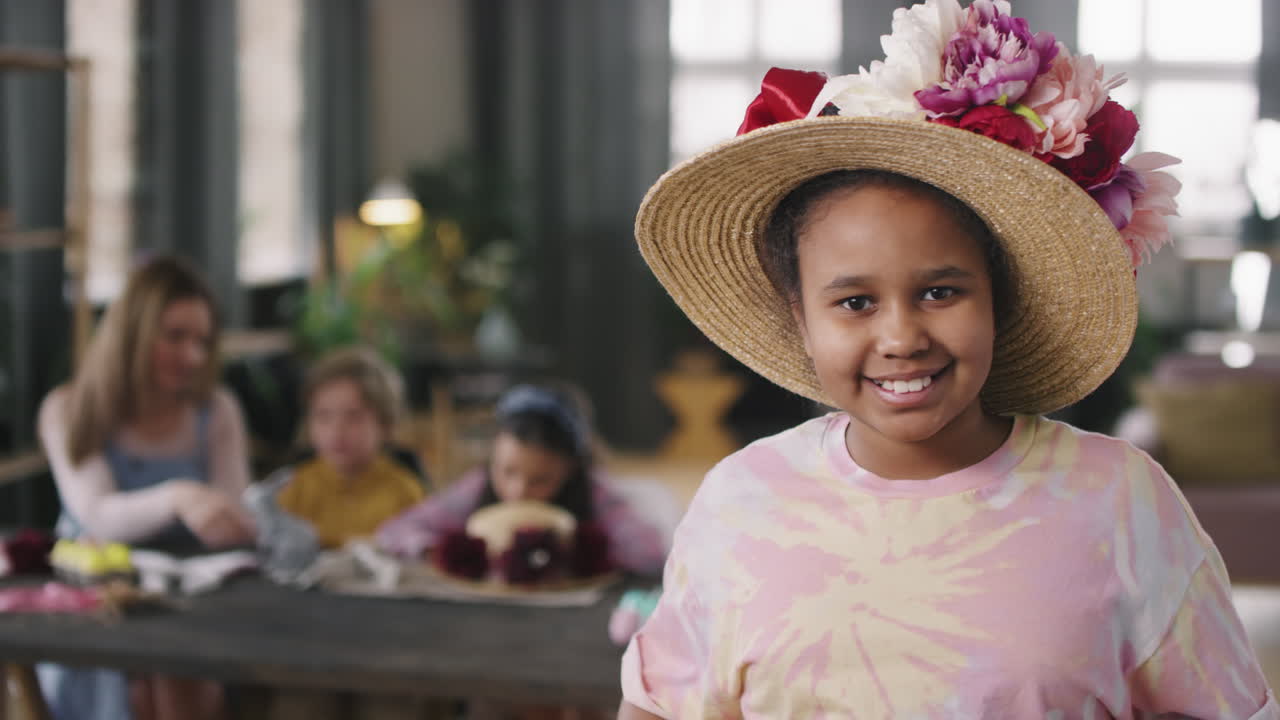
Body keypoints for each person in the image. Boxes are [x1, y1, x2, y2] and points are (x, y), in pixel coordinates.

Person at [618, 1, 1278, 717]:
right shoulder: (740, 501)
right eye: (854, 302)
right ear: (799, 321)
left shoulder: (1119, 500)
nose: (901, 337)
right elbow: (657, 706)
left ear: (998, 298)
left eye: (940, 291)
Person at [37, 255, 254, 720]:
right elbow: (98, 514)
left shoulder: (216, 411)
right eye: (175, 336)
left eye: (202, 341)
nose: (192, 356)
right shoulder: (68, 409)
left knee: (180, 675)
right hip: (99, 612)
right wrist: (181, 497)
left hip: (191, 613)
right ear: (132, 332)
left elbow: (232, 523)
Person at [378, 383, 667, 578]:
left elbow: (652, 552)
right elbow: (394, 531)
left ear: (570, 470)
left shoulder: (596, 492)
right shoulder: (478, 486)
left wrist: (574, 549)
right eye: (507, 472)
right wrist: (442, 550)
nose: (518, 492)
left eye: (540, 479)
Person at [264, 345, 425, 550]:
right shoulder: (293, 490)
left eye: (354, 416)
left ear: (385, 424)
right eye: (323, 416)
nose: (337, 431)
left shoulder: (406, 492)